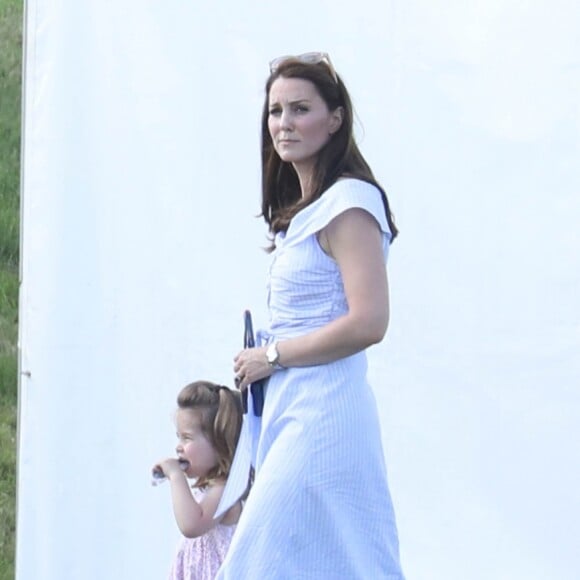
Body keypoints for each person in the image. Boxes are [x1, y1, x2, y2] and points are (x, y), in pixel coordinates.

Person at [216, 52, 405, 578]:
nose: (284, 124)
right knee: (330, 560)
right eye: (276, 111)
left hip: (325, 414)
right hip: (290, 411)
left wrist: (271, 355)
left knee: (259, 562)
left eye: (300, 109)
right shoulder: (305, 212)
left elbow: (370, 322)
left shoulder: (348, 204)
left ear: (335, 119)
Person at [153, 380, 245, 580]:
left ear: (219, 441)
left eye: (187, 438)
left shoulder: (225, 490)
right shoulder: (207, 490)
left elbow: (192, 525)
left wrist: (176, 475)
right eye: (179, 437)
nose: (179, 447)